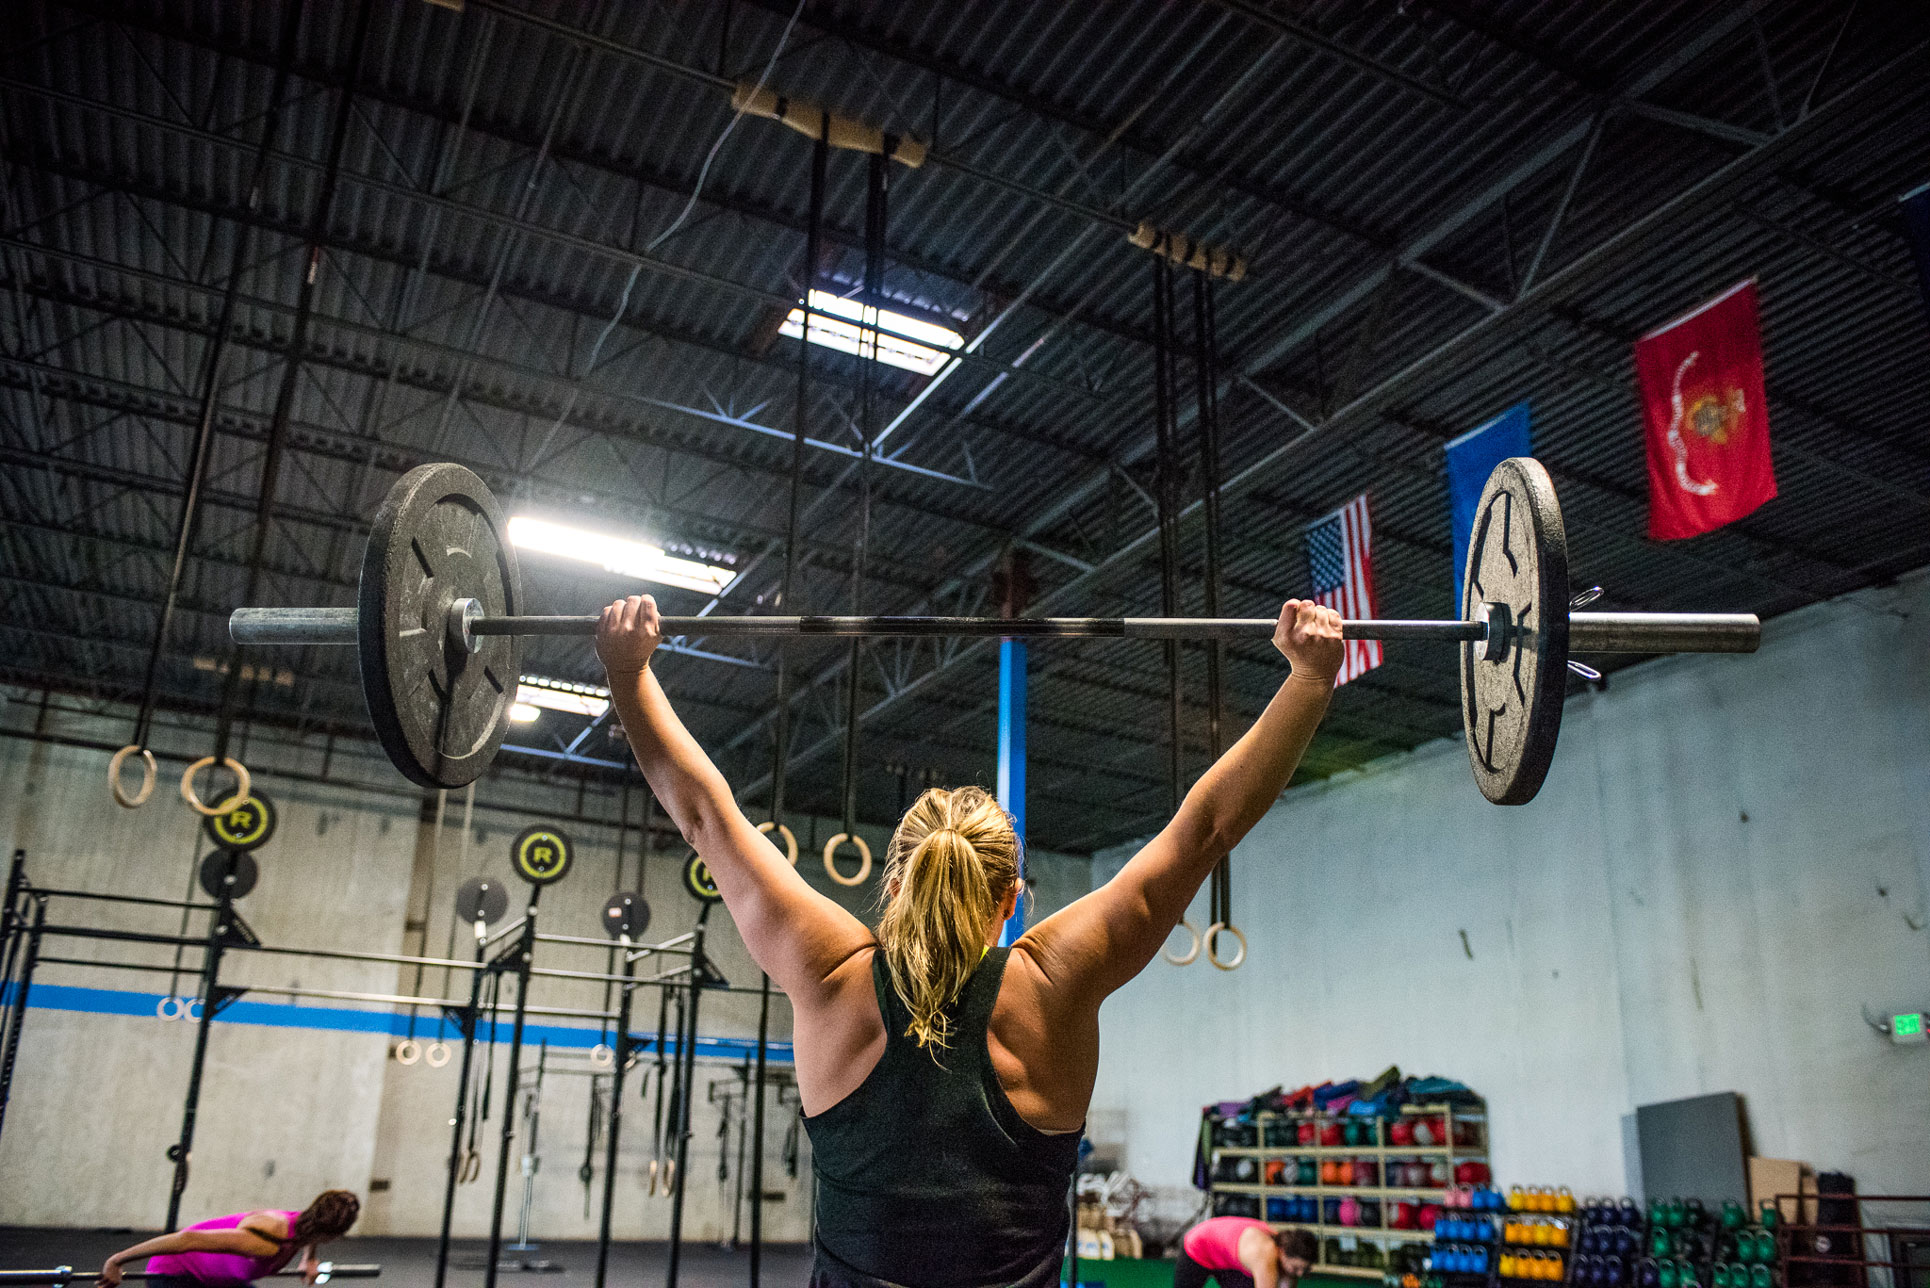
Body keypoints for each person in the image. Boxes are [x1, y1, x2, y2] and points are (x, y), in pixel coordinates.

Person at [597, 596, 1343, 1288]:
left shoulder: (831, 974)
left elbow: (704, 816)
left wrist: (629, 674)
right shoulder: (1052, 983)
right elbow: (1205, 830)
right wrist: (1308, 679)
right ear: (1012, 901)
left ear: (894, 886)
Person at [97, 1190, 360, 1288]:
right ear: (333, 1235)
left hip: (219, 1279)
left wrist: (309, 1260)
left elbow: (311, 1236)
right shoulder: (265, 1241)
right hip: (176, 1274)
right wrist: (117, 1261)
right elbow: (187, 1240)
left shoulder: (305, 1224)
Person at [1175, 1218, 1316, 1288]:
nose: (1299, 1274)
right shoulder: (1264, 1254)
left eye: (1303, 1269)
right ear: (1282, 1252)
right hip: (1199, 1247)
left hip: (1228, 1261)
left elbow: (1287, 1283)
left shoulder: (1285, 1244)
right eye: (1296, 1268)